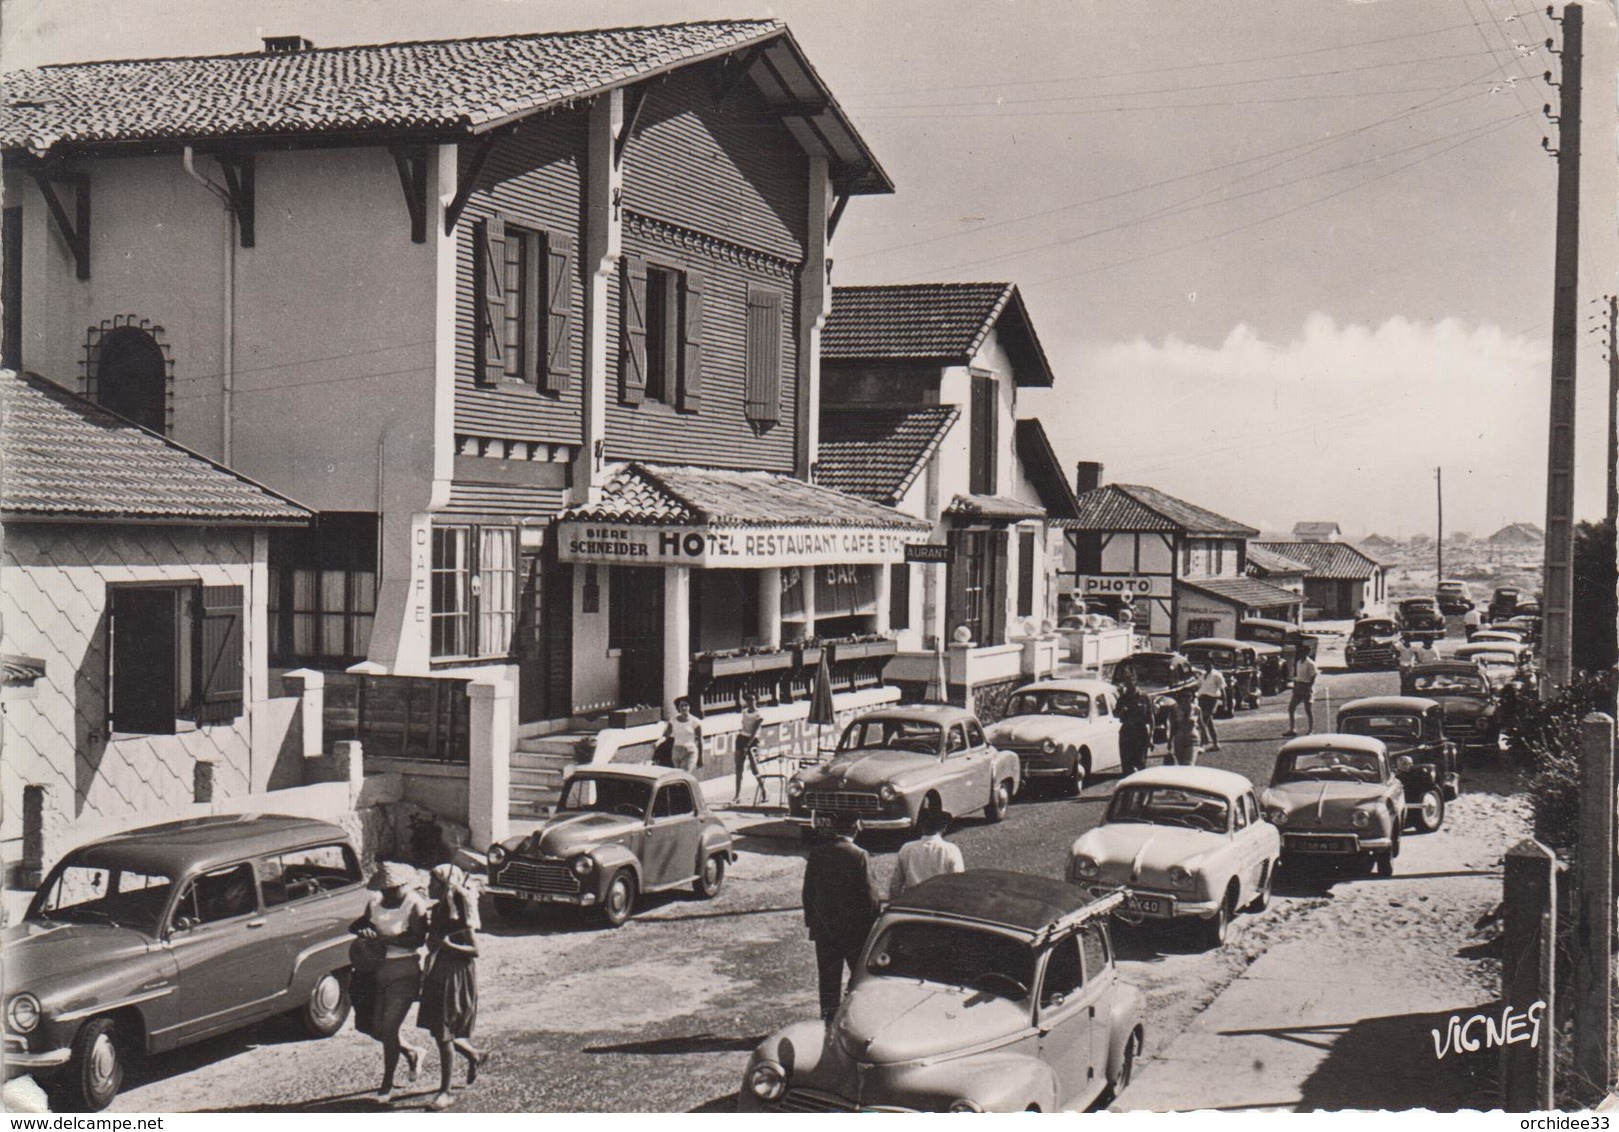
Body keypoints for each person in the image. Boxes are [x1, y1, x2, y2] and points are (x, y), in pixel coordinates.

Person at [350, 861, 429, 1103]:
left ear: (402, 885)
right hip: (376, 970)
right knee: (377, 1027)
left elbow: (418, 940)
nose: (388, 893)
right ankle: (412, 1052)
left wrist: (384, 939)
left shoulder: (414, 904)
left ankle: (387, 1084)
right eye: (385, 889)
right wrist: (364, 933)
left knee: (390, 1027)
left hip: (404, 970)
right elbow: (363, 925)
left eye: (392, 888)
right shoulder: (374, 902)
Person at [418, 864, 488, 1111]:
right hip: (440, 972)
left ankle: (446, 1092)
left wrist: (446, 945)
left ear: (444, 885)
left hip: (455, 975)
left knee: (444, 1032)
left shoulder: (457, 913)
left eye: (433, 883)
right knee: (440, 1029)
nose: (429, 887)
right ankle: (474, 1055)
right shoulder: (439, 910)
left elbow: (475, 950)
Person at [801, 813, 879, 1022]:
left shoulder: (817, 854)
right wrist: (874, 925)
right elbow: (871, 896)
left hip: (825, 930)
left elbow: (808, 892)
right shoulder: (859, 855)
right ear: (857, 828)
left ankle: (828, 1022)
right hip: (856, 932)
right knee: (860, 978)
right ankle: (858, 1020)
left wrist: (813, 923)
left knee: (828, 981)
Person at [888, 807, 963, 901]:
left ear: (921, 826)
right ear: (944, 828)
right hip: (940, 903)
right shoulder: (951, 850)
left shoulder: (907, 848)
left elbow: (895, 884)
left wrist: (894, 903)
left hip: (912, 903)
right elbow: (958, 883)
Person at [1115, 672, 1154, 776]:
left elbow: (1151, 718)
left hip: (1140, 733)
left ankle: (1141, 790)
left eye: (1130, 682)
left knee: (1140, 764)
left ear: (1135, 682)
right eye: (1126, 683)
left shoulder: (1144, 697)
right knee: (1127, 765)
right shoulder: (1123, 698)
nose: (1128, 685)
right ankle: (1127, 790)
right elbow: (1116, 715)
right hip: (1127, 733)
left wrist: (1151, 737)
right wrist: (1122, 712)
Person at [733, 692, 765, 804]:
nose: (750, 702)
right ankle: (737, 795)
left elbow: (755, 732)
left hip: (753, 742)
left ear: (756, 700)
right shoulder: (744, 712)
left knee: (754, 768)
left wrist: (747, 746)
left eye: (752, 699)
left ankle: (764, 791)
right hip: (741, 739)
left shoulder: (758, 715)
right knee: (738, 769)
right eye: (748, 700)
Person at [1284, 644, 1318, 737]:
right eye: (1301, 651)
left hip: (1306, 687)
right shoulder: (1299, 662)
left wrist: (1310, 687)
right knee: (1291, 708)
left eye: (1304, 651)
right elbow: (1297, 675)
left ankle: (1311, 730)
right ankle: (1292, 729)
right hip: (1298, 687)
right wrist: (1295, 686)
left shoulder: (1310, 663)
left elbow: (1313, 675)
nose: (1302, 653)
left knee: (1308, 710)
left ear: (1307, 652)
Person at [665, 697, 703, 775]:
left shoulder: (695, 722)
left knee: (685, 775)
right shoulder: (673, 720)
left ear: (689, 707)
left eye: (686, 705)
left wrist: (700, 757)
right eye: (681, 706)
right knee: (678, 778)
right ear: (678, 708)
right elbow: (666, 735)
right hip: (676, 751)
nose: (684, 708)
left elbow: (700, 740)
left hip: (690, 752)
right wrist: (658, 742)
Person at [1195, 662, 1226, 751]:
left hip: (1212, 699)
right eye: (1205, 664)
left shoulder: (1217, 675)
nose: (1206, 666)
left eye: (1208, 664)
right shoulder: (1202, 675)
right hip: (1202, 699)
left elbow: (1222, 689)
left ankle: (1202, 743)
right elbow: (1198, 686)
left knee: (1204, 720)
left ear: (1212, 665)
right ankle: (1216, 743)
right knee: (1209, 722)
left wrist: (1224, 702)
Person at [1167, 690, 1201, 766]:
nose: (1186, 698)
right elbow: (1173, 726)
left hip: (1192, 738)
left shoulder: (1197, 709)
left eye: (1189, 696)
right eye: (1184, 696)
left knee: (1189, 764)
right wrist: (1170, 741)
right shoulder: (1175, 710)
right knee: (1181, 764)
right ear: (1180, 698)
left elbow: (1201, 724)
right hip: (1179, 739)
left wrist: (1204, 737)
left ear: (1192, 698)